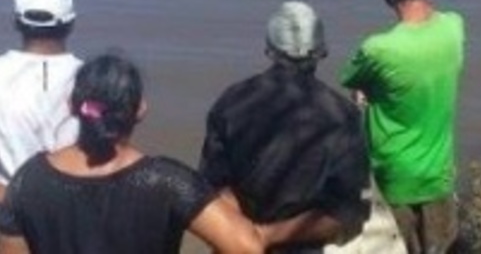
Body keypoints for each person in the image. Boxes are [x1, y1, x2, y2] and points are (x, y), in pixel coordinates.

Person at [0, 52, 325, 254]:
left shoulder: (29, 181)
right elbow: (246, 247)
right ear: (140, 110)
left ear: (73, 107)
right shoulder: (167, 181)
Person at [199, 1, 371, 253]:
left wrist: (247, 234)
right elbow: (346, 213)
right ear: (321, 51)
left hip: (236, 245)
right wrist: (268, 236)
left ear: (269, 49)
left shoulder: (231, 101)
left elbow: (211, 188)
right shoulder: (343, 115)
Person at [339, 0, 465, 254]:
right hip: (439, 176)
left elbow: (352, 83)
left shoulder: (378, 49)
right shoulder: (454, 28)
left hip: (394, 179)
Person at [0, 0, 82, 202]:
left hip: (8, 211)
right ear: (71, 23)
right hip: (72, 210)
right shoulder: (93, 78)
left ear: (16, 22)